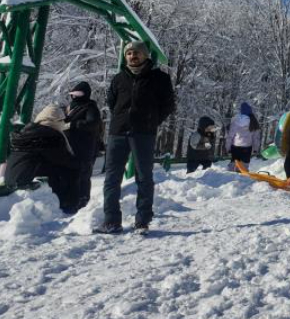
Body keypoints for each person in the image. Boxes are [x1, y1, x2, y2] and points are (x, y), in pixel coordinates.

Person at [96, 40, 176, 235]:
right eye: (129, 53)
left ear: (145, 55)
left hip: (143, 133)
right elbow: (112, 102)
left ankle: (142, 221)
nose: (132, 56)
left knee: (144, 177)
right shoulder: (118, 79)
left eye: (136, 52)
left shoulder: (159, 78)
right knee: (112, 178)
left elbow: (168, 105)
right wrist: (119, 119)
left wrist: (151, 121)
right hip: (118, 133)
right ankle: (111, 221)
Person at [5, 105, 81, 212]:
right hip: (24, 179)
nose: (63, 123)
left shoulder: (29, 130)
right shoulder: (49, 134)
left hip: (11, 176)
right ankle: (68, 205)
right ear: (54, 120)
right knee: (68, 170)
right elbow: (64, 159)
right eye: (61, 120)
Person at [63, 81, 101, 210]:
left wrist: (74, 124)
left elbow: (92, 123)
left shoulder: (90, 107)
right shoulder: (70, 107)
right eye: (73, 93)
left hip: (85, 147)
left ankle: (83, 201)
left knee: (83, 174)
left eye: (78, 94)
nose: (75, 96)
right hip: (70, 146)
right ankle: (70, 199)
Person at [226, 102, 262, 171]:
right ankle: (242, 177)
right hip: (247, 147)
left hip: (235, 146)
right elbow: (256, 138)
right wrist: (255, 148)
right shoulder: (253, 122)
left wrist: (228, 147)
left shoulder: (235, 121)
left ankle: (229, 175)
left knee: (233, 162)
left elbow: (230, 136)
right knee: (244, 165)